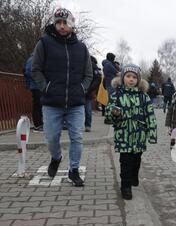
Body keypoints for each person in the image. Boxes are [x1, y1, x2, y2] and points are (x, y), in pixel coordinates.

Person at [31, 8, 93, 187]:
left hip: (75, 103)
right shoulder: (44, 43)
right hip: (51, 103)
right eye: (58, 22)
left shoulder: (81, 48)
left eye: (65, 22)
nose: (61, 26)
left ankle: (74, 170)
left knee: (77, 137)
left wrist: (82, 89)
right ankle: (56, 158)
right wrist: (46, 87)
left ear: (71, 24)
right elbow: (35, 69)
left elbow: (89, 74)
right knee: (51, 137)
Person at [105, 64, 157, 200]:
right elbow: (108, 115)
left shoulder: (144, 97)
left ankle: (134, 175)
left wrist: (152, 133)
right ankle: (125, 186)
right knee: (125, 162)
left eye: (134, 77)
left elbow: (150, 115)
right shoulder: (116, 95)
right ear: (123, 78)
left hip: (139, 135)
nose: (131, 79)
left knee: (136, 160)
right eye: (128, 76)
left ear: (138, 80)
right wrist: (114, 113)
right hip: (123, 134)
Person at [24, 54, 43, 132]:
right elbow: (29, 72)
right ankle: (38, 125)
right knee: (37, 105)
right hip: (36, 86)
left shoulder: (35, 59)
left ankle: (40, 124)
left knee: (39, 105)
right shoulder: (33, 59)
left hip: (38, 86)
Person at [85, 56, 102, 132]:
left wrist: (90, 88)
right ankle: (87, 125)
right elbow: (98, 78)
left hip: (86, 90)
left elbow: (97, 78)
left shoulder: (90, 65)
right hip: (87, 90)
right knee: (87, 109)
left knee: (86, 109)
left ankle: (87, 125)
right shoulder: (93, 65)